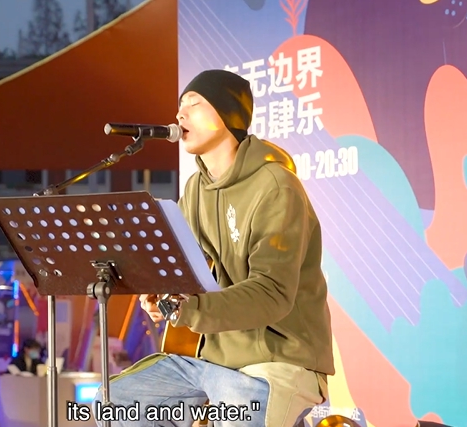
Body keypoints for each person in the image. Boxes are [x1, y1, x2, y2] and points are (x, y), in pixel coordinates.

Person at [92, 69, 335, 427]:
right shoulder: (195, 189)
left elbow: (272, 293)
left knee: (238, 408)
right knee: (114, 403)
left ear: (227, 114)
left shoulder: (276, 186)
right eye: (180, 105)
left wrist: (189, 308)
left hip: (278, 358)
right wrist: (161, 295)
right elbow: (185, 270)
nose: (180, 114)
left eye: (194, 103)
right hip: (210, 360)